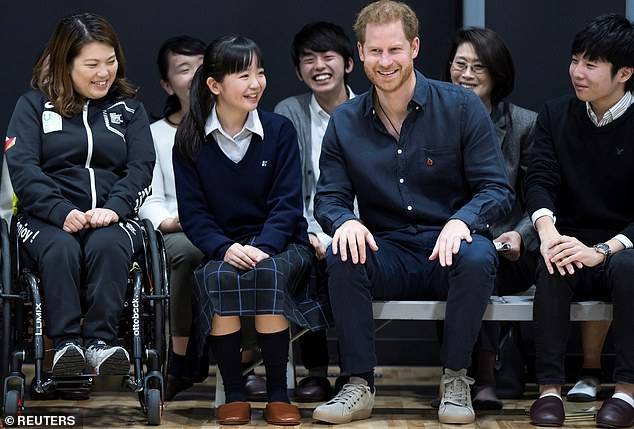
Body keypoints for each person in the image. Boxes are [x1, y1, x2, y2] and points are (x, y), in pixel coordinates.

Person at [311, 0, 513, 425]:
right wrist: (345, 221)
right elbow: (328, 197)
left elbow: (496, 188)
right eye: (376, 51)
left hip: (449, 245)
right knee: (342, 254)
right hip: (388, 249)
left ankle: (457, 378)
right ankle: (358, 384)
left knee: (477, 255)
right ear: (361, 53)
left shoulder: (460, 106)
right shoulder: (345, 120)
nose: (386, 62)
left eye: (395, 50)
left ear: (415, 47)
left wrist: (463, 221)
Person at [173, 35, 330, 426]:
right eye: (243, 75)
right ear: (214, 85)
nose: (256, 83)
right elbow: (194, 215)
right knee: (219, 277)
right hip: (224, 247)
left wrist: (263, 246)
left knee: (268, 273)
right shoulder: (191, 139)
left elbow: (287, 204)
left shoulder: (279, 131)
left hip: (279, 244)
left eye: (259, 72)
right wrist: (225, 248)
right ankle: (235, 392)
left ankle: (278, 393)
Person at [3, 13, 154, 377]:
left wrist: (114, 208)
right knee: (60, 247)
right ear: (65, 62)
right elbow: (22, 167)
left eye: (111, 61)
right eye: (92, 64)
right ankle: (67, 343)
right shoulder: (33, 106)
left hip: (112, 217)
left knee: (107, 245)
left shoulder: (129, 109)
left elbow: (141, 167)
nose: (104, 72)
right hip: (45, 219)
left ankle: (101, 344)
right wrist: (59, 210)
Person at [525, 14, 634, 428]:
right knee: (553, 261)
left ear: (624, 72)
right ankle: (548, 390)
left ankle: (626, 391)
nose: (577, 72)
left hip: (622, 245)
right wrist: (548, 231)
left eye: (591, 64)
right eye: (575, 60)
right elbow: (539, 179)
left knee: (629, 268)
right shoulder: (555, 114)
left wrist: (603, 250)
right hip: (571, 236)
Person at [446, 27, 538, 409]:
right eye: (459, 65)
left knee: (481, 263)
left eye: (477, 67)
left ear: (497, 73)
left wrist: (519, 234)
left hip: (511, 246)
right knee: (468, 262)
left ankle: (484, 369)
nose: (466, 75)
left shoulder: (524, 124)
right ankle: (480, 371)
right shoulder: (438, 119)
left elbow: (540, 200)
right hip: (453, 242)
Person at [274, 21, 355, 402]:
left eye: (328, 57)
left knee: (350, 258)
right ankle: (316, 372)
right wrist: (308, 231)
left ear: (348, 64)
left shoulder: (370, 109)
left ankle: (356, 371)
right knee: (305, 261)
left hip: (361, 226)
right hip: (304, 225)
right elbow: (284, 188)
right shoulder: (289, 112)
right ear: (298, 70)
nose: (319, 66)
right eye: (309, 59)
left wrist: (347, 229)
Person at [139, 35, 208, 400]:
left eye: (202, 66)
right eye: (185, 69)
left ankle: (247, 359)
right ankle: (179, 359)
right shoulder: (154, 135)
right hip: (179, 227)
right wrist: (168, 221)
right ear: (167, 84)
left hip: (232, 226)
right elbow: (150, 196)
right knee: (184, 250)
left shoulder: (238, 123)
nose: (196, 75)